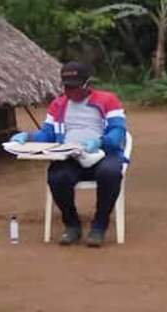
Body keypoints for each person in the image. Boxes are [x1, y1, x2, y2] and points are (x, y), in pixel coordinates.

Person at [8, 62, 127, 248]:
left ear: (87, 84)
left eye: (75, 86)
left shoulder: (108, 100)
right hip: (70, 155)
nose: (70, 91)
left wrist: (100, 142)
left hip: (103, 153)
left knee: (110, 173)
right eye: (67, 86)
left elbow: (118, 132)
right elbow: (47, 134)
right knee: (57, 177)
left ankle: (99, 225)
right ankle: (72, 224)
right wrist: (28, 136)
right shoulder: (58, 104)